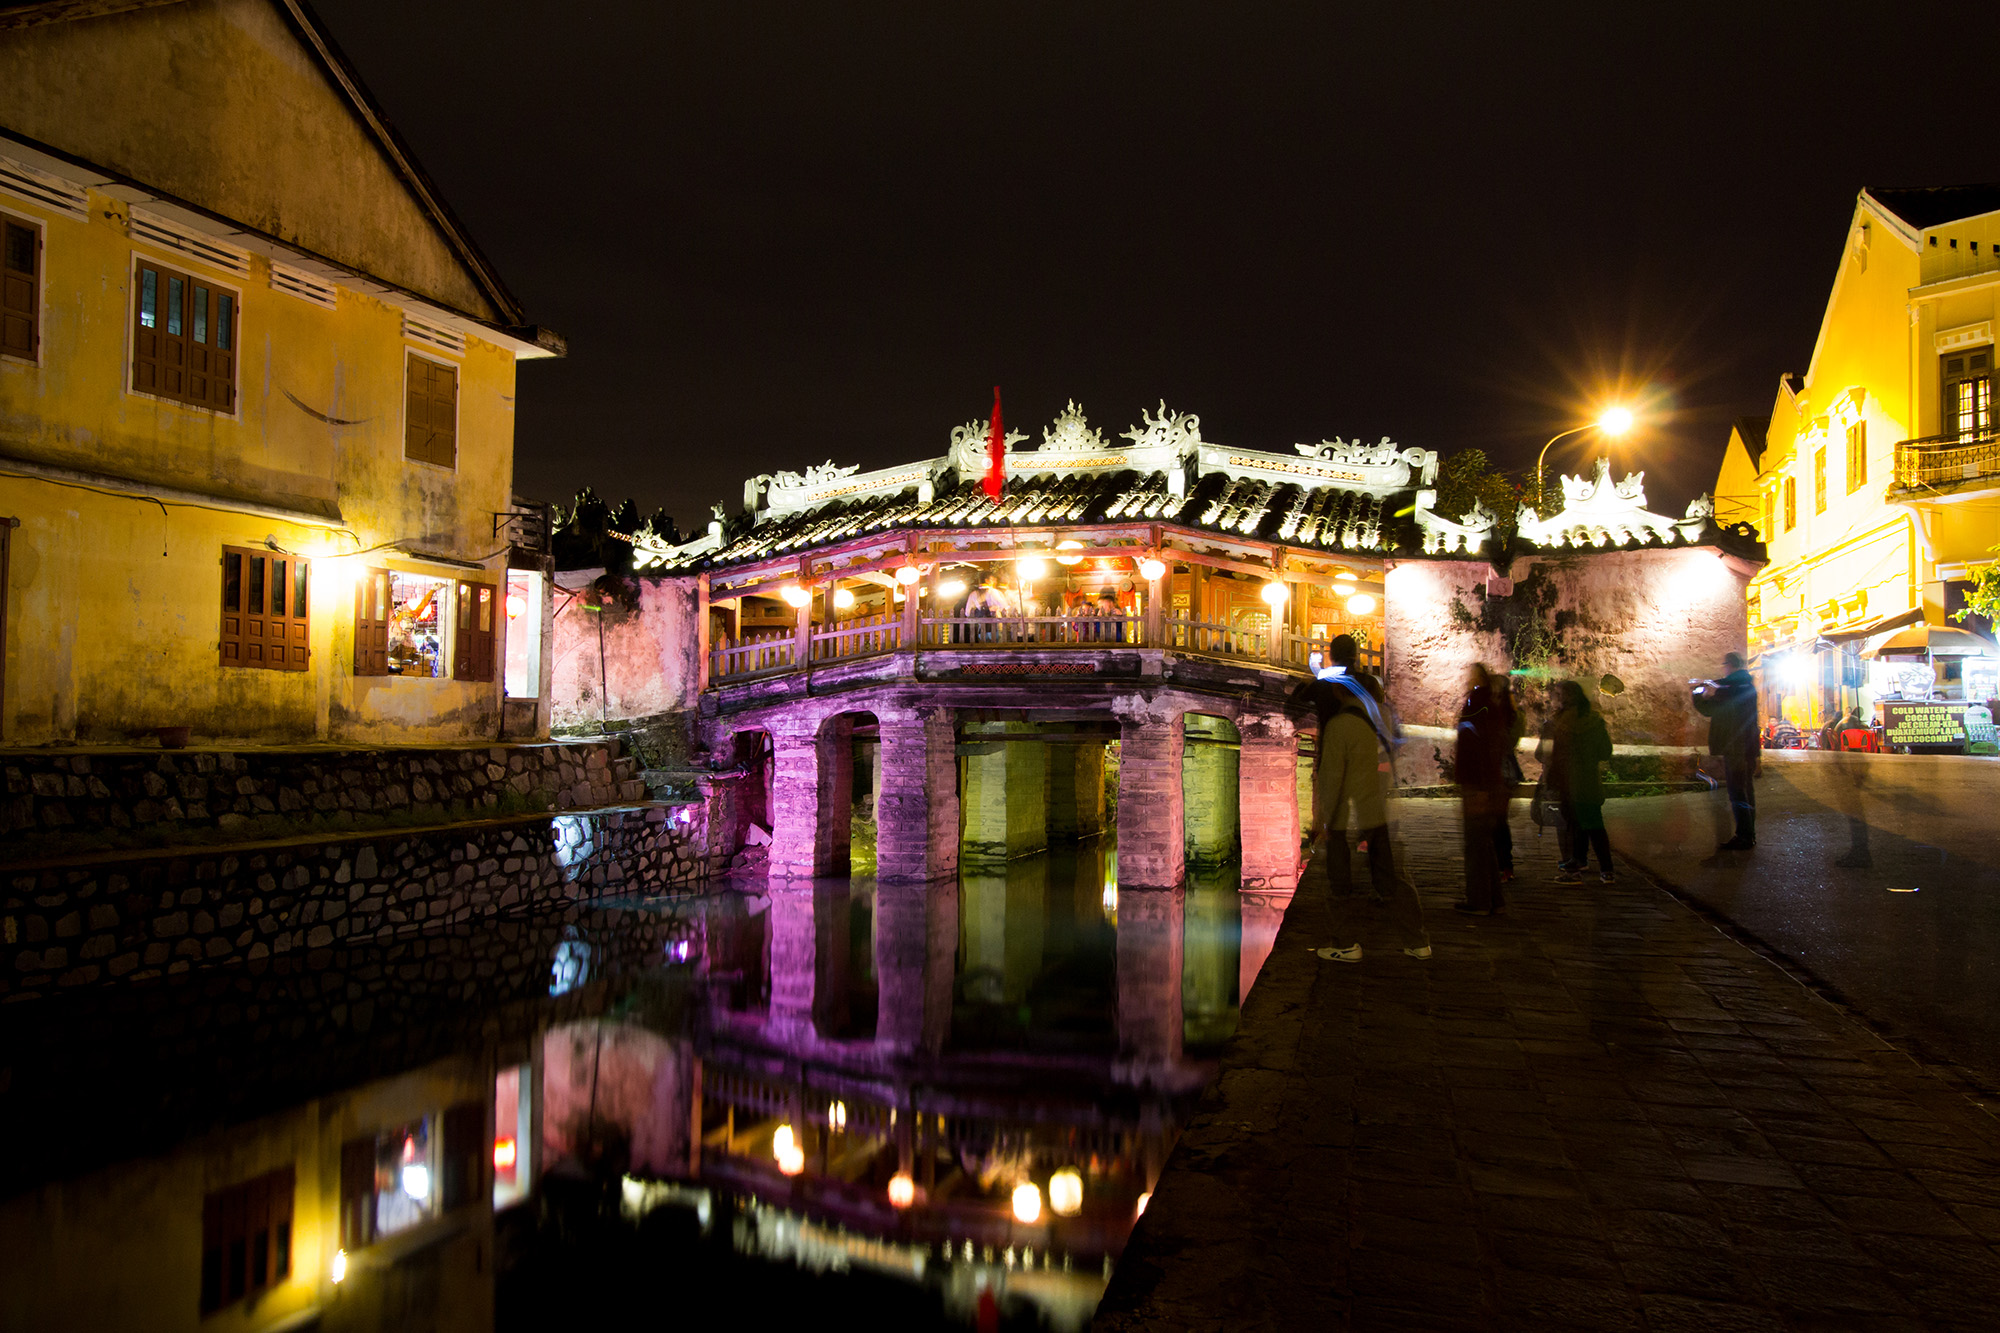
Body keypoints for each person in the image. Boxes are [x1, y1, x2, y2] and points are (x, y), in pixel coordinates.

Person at [1306, 659, 1431, 962]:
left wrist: (1322, 821)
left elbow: (1332, 777)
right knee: (1390, 880)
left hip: (1346, 816)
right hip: (1379, 811)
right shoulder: (1384, 717)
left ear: (1341, 693)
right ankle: (1417, 941)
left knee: (1340, 883)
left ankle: (1346, 943)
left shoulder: (1339, 725)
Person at [1539, 679, 1614, 883]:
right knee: (1591, 823)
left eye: (1558, 696)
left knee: (1577, 824)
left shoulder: (1557, 723)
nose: (1555, 700)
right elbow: (1605, 752)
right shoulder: (1594, 721)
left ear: (1564, 699)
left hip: (1566, 781)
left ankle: (1589, 870)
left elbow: (1545, 754)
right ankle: (1590, 864)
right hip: (1588, 780)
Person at [1454, 664, 1514, 914]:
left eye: (1470, 676)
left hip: (1478, 783)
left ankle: (1479, 900)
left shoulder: (1478, 706)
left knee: (1477, 844)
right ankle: (1494, 899)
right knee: (1485, 843)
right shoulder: (1490, 706)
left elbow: (1478, 748)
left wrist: (1478, 785)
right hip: (1487, 781)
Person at [1693, 651, 1759, 849]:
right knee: (1747, 789)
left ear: (1729, 665)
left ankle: (1744, 836)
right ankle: (1749, 834)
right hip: (1748, 745)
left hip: (1735, 746)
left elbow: (1708, 709)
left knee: (1737, 791)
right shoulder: (1746, 685)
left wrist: (1698, 694)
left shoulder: (1729, 688)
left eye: (1724, 665)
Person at [1491, 673, 1525, 881]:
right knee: (1499, 821)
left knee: (1497, 822)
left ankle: (1503, 864)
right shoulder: (1514, 713)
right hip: (1505, 769)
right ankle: (1504, 865)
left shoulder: (1502, 713)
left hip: (1499, 769)